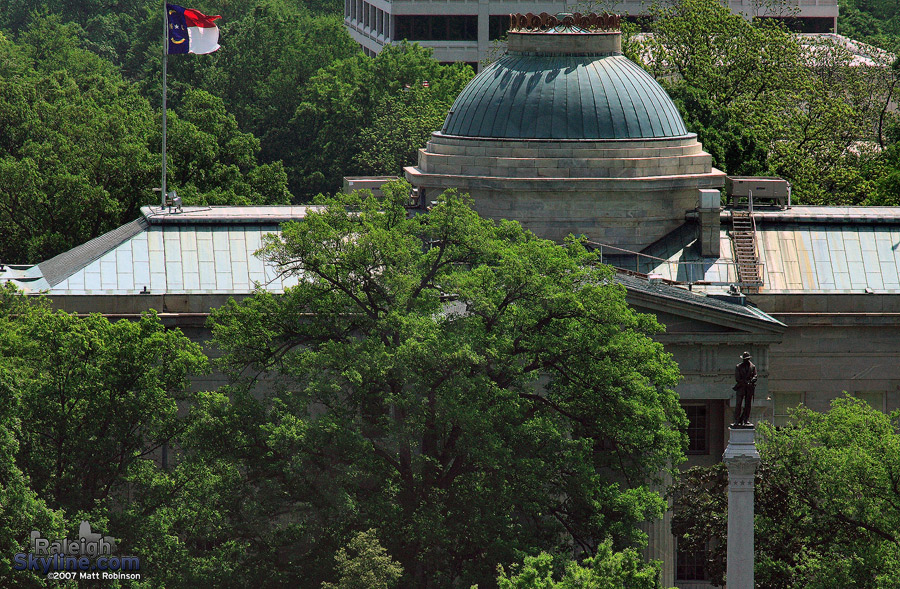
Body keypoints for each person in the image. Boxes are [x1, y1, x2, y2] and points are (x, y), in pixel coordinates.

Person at [732, 351, 757, 426]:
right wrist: (745, 382)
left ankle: (745, 419)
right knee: (738, 404)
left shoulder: (753, 367)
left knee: (748, 404)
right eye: (744, 359)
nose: (745, 360)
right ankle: (736, 419)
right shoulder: (738, 367)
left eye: (746, 359)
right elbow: (737, 378)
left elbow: (755, 376)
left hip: (749, 388)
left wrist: (752, 380)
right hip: (741, 387)